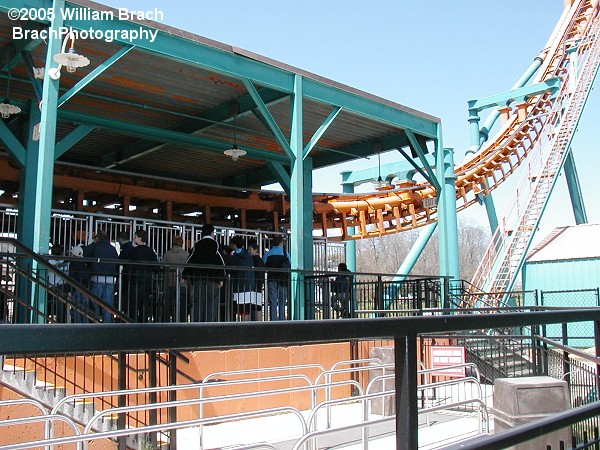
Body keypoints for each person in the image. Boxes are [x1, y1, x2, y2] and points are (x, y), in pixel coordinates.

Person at [183, 224, 226, 322]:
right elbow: (221, 262)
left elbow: (189, 260)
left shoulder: (197, 245)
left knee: (198, 302)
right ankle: (209, 325)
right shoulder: (215, 244)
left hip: (198, 278)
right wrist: (221, 278)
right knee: (211, 303)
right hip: (212, 279)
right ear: (212, 233)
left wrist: (184, 275)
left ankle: (197, 324)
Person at [83, 230, 118, 322]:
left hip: (96, 278)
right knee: (107, 305)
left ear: (97, 238)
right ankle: (107, 326)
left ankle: (95, 323)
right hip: (110, 279)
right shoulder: (112, 249)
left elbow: (84, 254)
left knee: (94, 303)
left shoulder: (95, 247)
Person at [127, 229, 159, 322]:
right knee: (144, 305)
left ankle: (132, 323)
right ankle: (143, 324)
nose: (134, 238)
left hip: (135, 280)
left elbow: (129, 266)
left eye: (135, 237)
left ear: (139, 238)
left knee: (133, 305)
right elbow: (156, 268)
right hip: (147, 281)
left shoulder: (133, 251)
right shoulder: (150, 251)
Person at [162, 235, 189, 322]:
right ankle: (181, 323)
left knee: (169, 305)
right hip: (182, 283)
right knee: (182, 306)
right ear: (181, 243)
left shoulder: (167, 254)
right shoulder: (186, 254)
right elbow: (188, 269)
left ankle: (166, 322)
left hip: (169, 283)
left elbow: (162, 267)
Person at [227, 236, 254, 320]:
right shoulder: (248, 256)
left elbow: (230, 270)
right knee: (246, 311)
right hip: (249, 286)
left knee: (240, 310)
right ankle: (247, 328)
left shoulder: (235, 257)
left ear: (235, 245)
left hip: (239, 286)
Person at [263, 236, 290, 321]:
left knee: (273, 301)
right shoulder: (285, 253)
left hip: (271, 279)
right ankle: (282, 320)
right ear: (281, 243)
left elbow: (263, 265)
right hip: (283, 280)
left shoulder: (268, 254)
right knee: (282, 302)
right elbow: (290, 264)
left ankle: (273, 320)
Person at [68, 245, 90, 323]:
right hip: (85, 288)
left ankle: (78, 325)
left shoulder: (73, 264)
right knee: (84, 309)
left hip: (75, 288)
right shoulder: (84, 263)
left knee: (75, 309)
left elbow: (71, 276)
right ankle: (85, 325)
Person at [47, 243, 67, 322]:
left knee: (49, 306)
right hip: (61, 286)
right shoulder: (64, 261)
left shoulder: (48, 260)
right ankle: (61, 323)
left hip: (50, 285)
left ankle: (47, 320)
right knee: (61, 307)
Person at [248, 242, 265, 321]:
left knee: (250, 305)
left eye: (250, 249)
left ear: (255, 250)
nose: (249, 251)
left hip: (253, 284)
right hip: (259, 285)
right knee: (258, 306)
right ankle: (259, 323)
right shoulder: (261, 260)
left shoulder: (252, 260)